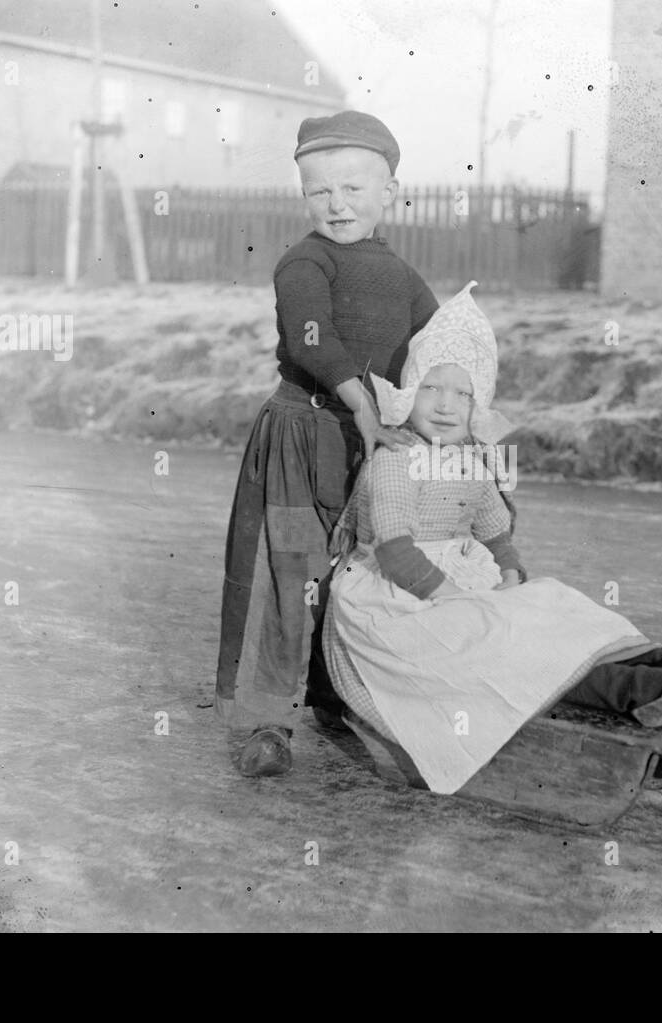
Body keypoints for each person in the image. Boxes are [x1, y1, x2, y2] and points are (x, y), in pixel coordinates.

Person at [322, 281, 662, 795]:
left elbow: (493, 523)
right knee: (502, 641)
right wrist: (454, 595)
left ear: (478, 404)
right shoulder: (396, 460)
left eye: (461, 393)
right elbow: (394, 548)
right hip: (395, 600)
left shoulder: (470, 459)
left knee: (556, 606)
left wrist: (508, 565)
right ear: (408, 393)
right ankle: (648, 691)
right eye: (431, 388)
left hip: (456, 581)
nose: (445, 405)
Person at [216, 111, 438, 777]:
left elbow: (437, 350)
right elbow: (314, 336)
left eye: (353, 189)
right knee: (293, 575)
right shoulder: (303, 262)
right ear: (303, 195)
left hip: (367, 444)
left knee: (361, 574)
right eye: (320, 191)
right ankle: (267, 720)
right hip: (302, 435)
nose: (336, 205)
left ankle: (340, 690)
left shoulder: (400, 276)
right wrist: (362, 403)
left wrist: (457, 413)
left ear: (390, 192)